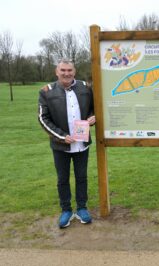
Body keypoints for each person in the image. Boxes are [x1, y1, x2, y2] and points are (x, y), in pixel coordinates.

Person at [38, 59, 96, 229]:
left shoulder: (85, 87)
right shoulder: (47, 92)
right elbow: (43, 118)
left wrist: (93, 117)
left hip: (82, 143)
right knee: (62, 179)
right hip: (60, 145)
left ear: (74, 71)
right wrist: (62, 137)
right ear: (57, 72)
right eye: (63, 70)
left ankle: (82, 208)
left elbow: (95, 107)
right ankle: (66, 210)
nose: (66, 73)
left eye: (69, 70)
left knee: (82, 177)